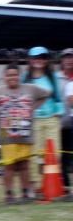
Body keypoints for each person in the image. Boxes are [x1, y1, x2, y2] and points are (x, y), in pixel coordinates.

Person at [0, 65, 50, 204]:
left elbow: (46, 93)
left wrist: (33, 108)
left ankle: (26, 192)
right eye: (9, 75)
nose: (12, 77)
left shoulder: (30, 88)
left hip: (25, 135)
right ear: (4, 77)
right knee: (9, 166)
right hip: (7, 137)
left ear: (20, 76)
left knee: (24, 165)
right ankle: (9, 194)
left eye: (15, 75)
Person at [23, 46, 64, 197]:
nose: (39, 60)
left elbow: (58, 99)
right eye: (35, 57)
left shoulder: (52, 77)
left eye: (42, 57)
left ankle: (54, 185)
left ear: (47, 60)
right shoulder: (25, 78)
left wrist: (58, 115)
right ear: (30, 60)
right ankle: (35, 187)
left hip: (51, 119)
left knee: (55, 153)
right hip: (33, 121)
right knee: (35, 155)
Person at [58, 48, 73, 197]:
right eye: (66, 57)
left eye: (72, 57)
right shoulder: (56, 78)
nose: (69, 60)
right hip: (61, 124)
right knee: (63, 158)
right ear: (61, 60)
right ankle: (66, 188)